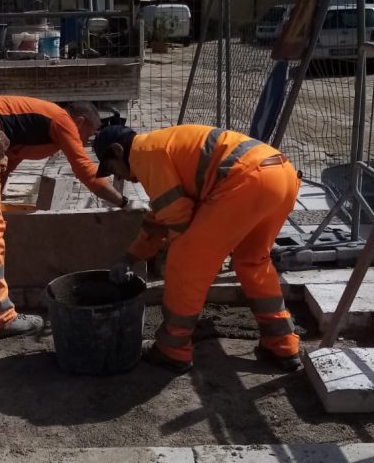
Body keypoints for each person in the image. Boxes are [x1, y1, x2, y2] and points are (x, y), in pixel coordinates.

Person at [95, 124, 301, 372]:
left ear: (118, 151)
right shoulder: (163, 145)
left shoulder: (143, 154)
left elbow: (177, 220)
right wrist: (131, 257)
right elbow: (162, 215)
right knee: (252, 260)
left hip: (246, 180)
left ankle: (173, 349)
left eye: (113, 169)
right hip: (281, 174)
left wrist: (169, 250)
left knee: (184, 262)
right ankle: (282, 344)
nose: (122, 178)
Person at [0, 96, 129, 338]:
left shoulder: (37, 126)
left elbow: (10, 158)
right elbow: (86, 172)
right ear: (79, 121)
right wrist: (123, 201)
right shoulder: (63, 120)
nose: (86, 141)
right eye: (88, 133)